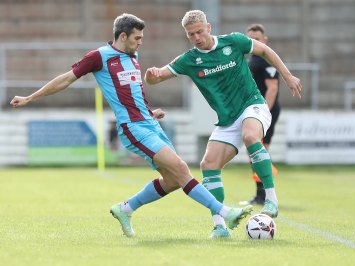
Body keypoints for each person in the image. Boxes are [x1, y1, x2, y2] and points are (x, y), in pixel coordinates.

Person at [9, 13, 253, 238]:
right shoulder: (99, 57)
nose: (141, 42)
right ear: (123, 36)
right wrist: (31, 98)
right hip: (132, 128)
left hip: (149, 123)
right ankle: (224, 213)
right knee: (181, 168)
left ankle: (125, 209)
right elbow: (65, 79)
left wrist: (150, 112)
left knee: (172, 180)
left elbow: (133, 92)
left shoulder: (133, 56)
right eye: (137, 37)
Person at [145, 10, 302, 238]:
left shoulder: (233, 42)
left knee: (250, 137)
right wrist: (151, 75)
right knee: (208, 164)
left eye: (199, 31)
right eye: (191, 35)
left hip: (253, 105)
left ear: (208, 27)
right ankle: (220, 226)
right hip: (227, 120)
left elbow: (265, 50)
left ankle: (271, 200)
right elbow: (156, 77)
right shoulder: (189, 59)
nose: (197, 37)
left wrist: (287, 76)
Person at [239, 24, 281, 206]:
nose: (253, 42)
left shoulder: (266, 60)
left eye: (257, 39)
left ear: (265, 40)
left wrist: (263, 113)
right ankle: (261, 194)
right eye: (250, 39)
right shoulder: (251, 60)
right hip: (256, 112)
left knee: (258, 152)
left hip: (265, 112)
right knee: (256, 153)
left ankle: (263, 195)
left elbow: (272, 89)